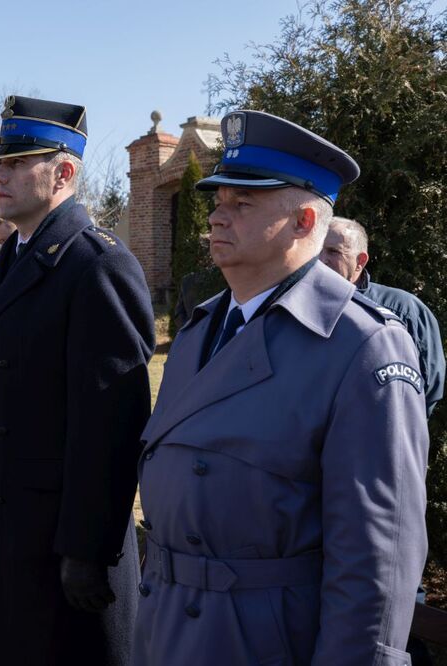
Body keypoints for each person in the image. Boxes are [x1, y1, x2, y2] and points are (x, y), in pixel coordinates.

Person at [133, 110, 428, 665]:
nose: (217, 216)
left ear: (303, 221)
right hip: (168, 629)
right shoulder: (199, 331)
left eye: (243, 203)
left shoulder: (362, 346)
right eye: (219, 200)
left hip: (265, 642)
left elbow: (376, 560)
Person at [0, 96, 155, 666]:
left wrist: (86, 549)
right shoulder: (9, 261)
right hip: (2, 533)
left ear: (63, 172)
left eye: (18, 163)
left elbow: (112, 424)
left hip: (55, 548)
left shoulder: (96, 264)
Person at [321, 216, 444, 416]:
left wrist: (398, 423)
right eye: (316, 251)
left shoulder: (404, 310)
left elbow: (429, 385)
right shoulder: (296, 304)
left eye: (333, 252)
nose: (321, 260)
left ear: (360, 261)